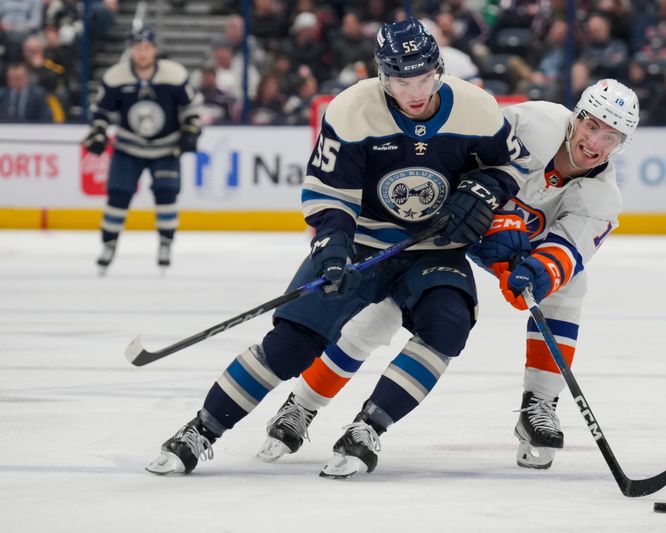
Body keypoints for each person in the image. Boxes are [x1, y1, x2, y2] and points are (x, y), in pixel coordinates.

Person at [145, 17, 529, 477]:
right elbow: (329, 195)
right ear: (383, 75)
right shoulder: (351, 110)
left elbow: (512, 166)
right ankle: (201, 429)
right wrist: (332, 250)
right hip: (363, 241)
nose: (414, 91)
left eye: (423, 77)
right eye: (401, 80)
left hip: (434, 246)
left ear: (438, 69)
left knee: (448, 325)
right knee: (291, 344)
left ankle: (369, 427)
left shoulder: (477, 108)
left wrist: (483, 191)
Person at [259, 78, 639, 473]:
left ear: (622, 145)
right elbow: (467, 155)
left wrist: (536, 275)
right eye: (592, 126)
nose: (595, 142)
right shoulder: (534, 122)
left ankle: (539, 405)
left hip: (515, 252)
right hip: (446, 228)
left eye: (611, 136)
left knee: (570, 287)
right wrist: (493, 218)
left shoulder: (604, 200)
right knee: (375, 322)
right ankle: (302, 404)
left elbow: (566, 253)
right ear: (576, 117)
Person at [83, 26, 202, 274]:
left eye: (147, 47)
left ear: (155, 50)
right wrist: (97, 132)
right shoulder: (116, 76)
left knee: (166, 193)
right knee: (118, 196)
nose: (142, 53)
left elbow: (191, 109)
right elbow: (101, 113)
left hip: (166, 148)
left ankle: (166, 243)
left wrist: (190, 129)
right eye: (138, 48)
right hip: (128, 147)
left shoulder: (174, 75)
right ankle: (109, 244)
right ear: (131, 50)